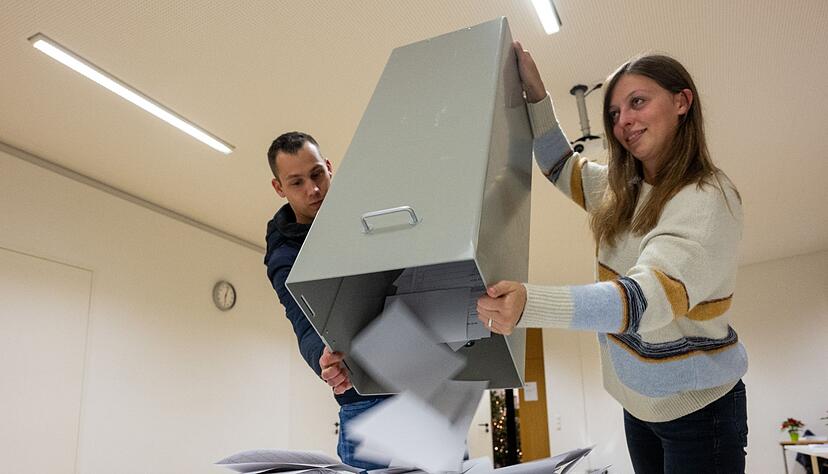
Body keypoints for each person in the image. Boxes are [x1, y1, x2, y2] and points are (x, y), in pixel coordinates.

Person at [477, 43, 748, 474]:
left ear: (682, 101)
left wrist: (531, 304)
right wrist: (536, 96)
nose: (623, 122)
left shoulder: (707, 199)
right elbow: (559, 164)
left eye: (638, 102)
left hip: (699, 412)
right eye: (615, 113)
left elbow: (643, 302)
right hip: (637, 405)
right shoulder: (623, 192)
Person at [264, 131, 389, 470]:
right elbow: (304, 323)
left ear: (330, 168)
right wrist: (322, 358)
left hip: (424, 391)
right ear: (279, 188)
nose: (313, 189)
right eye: (297, 182)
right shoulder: (284, 256)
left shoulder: (367, 213)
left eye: (317, 174)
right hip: (364, 401)